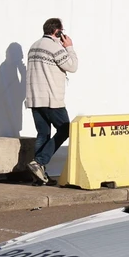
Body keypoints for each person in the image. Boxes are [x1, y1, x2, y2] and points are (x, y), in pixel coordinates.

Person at [25, 18, 79, 184]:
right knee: (65, 130)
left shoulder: (34, 46)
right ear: (58, 32)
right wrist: (69, 47)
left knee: (43, 133)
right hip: (51, 98)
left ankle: (39, 176)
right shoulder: (55, 47)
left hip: (34, 98)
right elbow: (72, 66)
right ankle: (39, 162)